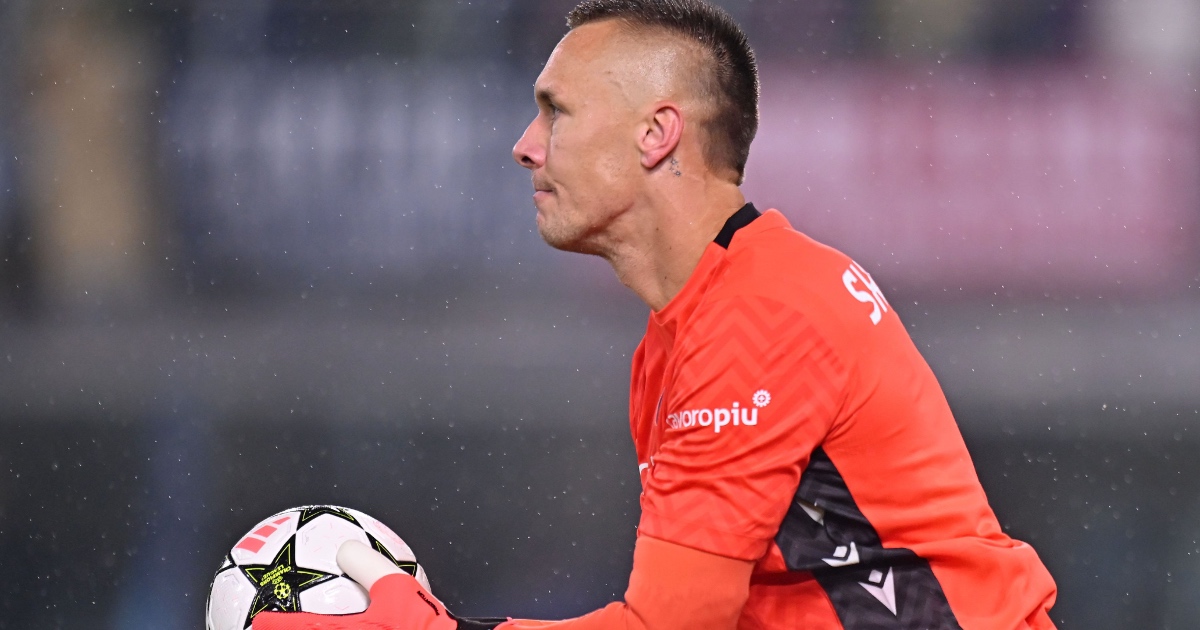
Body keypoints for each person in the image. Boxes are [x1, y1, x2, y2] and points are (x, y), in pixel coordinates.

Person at [253, 1, 1058, 628]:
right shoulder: (694, 327)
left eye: (556, 111)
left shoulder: (759, 317)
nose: (526, 144)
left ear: (656, 133)